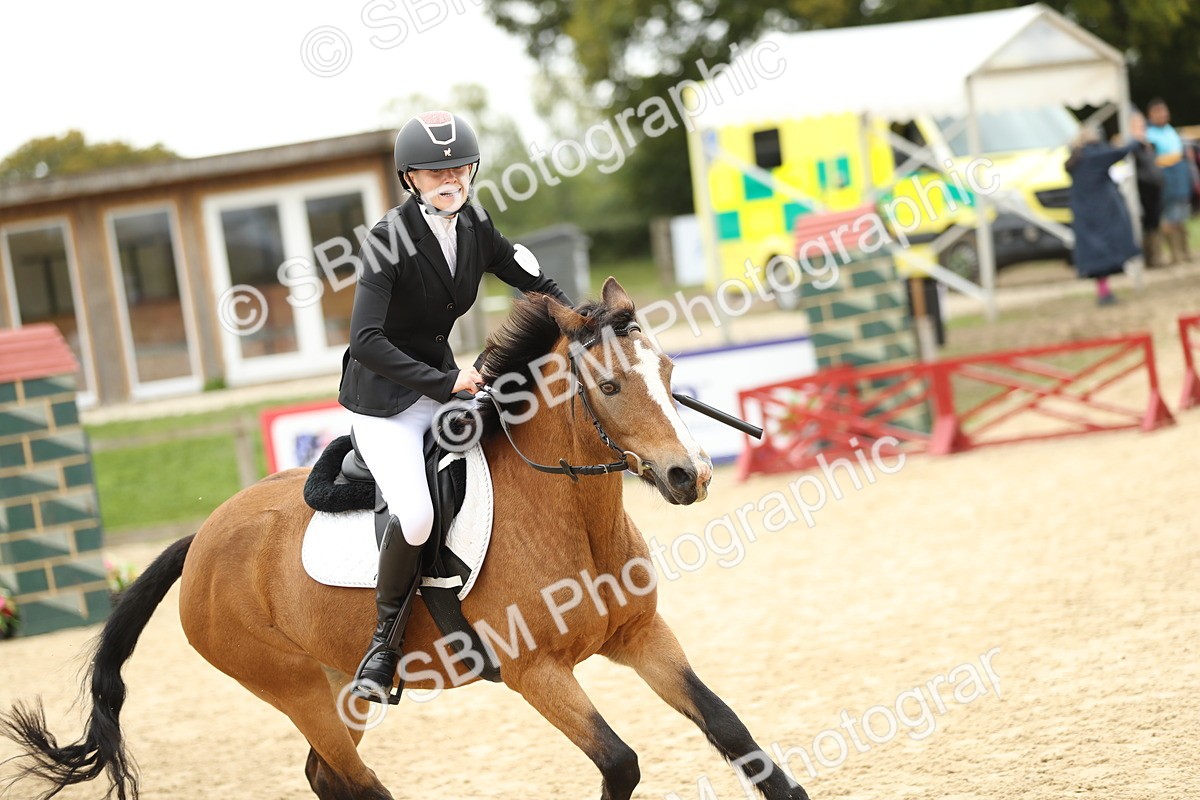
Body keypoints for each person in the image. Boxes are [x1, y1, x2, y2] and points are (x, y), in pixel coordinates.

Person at [339, 110, 572, 700]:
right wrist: (444, 384)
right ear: (410, 178)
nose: (450, 178)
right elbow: (365, 340)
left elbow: (533, 284)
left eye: (460, 167)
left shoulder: (474, 226)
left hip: (445, 385)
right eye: (434, 170)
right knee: (415, 514)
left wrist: (585, 325)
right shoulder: (386, 240)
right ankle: (382, 646)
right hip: (386, 402)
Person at [1065, 126, 1141, 306]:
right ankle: (1105, 293)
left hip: (1084, 213)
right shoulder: (1094, 155)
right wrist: (1136, 140)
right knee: (1106, 251)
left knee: (1095, 256)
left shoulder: (1076, 158)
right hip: (1103, 211)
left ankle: (1104, 291)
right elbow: (1121, 152)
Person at [1145, 98, 1193, 264]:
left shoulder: (1170, 131)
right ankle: (1173, 254)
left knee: (1181, 216)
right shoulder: (1149, 135)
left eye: (1164, 111)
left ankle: (1184, 252)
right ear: (1150, 115)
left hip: (1179, 180)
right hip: (1165, 180)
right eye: (1158, 111)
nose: (1163, 114)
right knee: (1167, 218)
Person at [1129, 111, 1164, 266]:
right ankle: (1148, 257)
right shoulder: (1131, 146)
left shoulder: (1149, 145)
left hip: (1153, 189)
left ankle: (1156, 255)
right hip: (1140, 190)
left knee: (1154, 221)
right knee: (1144, 223)